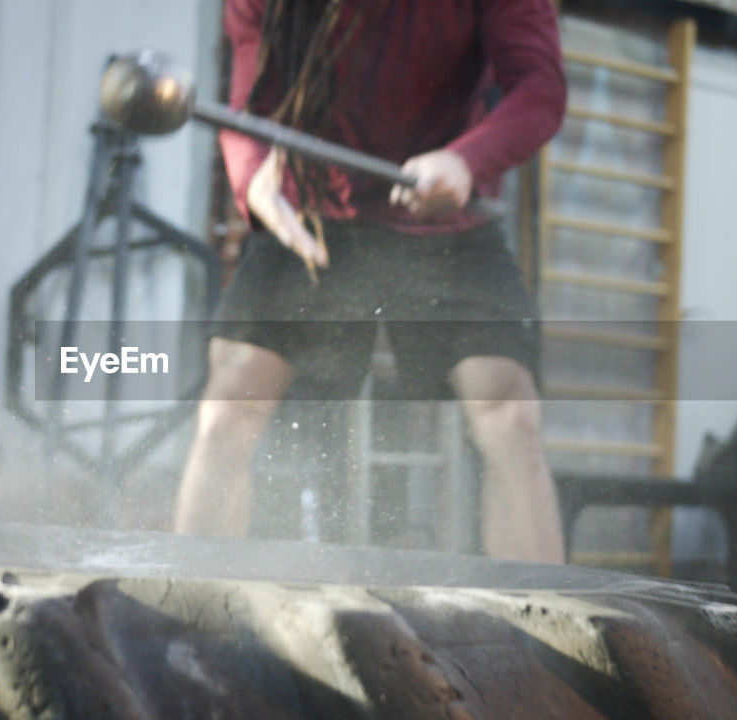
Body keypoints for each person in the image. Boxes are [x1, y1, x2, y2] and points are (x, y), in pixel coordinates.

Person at [173, 0, 567, 564]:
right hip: (312, 212)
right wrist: (252, 179)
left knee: (511, 417)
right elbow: (250, 105)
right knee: (229, 406)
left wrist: (467, 159)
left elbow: (540, 87)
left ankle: (546, 638)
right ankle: (187, 614)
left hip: (444, 217)